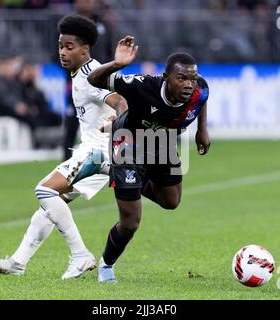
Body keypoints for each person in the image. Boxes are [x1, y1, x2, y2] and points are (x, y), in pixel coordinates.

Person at [0, 15, 128, 280]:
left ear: (85, 49)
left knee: (44, 190)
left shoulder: (91, 78)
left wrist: (118, 118)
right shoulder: (83, 72)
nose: (63, 51)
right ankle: (18, 262)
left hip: (98, 152)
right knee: (51, 204)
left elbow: (120, 102)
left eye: (69, 46)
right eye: (60, 45)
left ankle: (81, 255)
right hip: (100, 150)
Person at [87, 36, 211, 282]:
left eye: (192, 78)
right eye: (182, 78)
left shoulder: (200, 89)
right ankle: (106, 265)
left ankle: (118, 174)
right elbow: (94, 80)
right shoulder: (142, 86)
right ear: (166, 78)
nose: (189, 84)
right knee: (131, 222)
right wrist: (117, 63)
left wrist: (202, 130)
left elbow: (203, 98)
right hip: (129, 144)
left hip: (161, 143)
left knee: (171, 202)